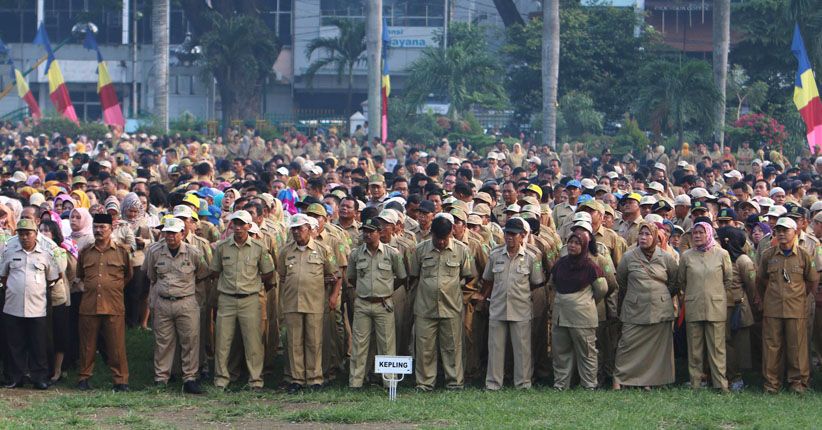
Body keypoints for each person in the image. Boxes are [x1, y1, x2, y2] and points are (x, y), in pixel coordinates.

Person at [474, 217, 545, 390]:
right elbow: (487, 279)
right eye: (507, 233)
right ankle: (493, 383)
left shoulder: (531, 257)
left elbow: (537, 281)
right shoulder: (495, 254)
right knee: (496, 348)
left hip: (520, 308)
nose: (509, 237)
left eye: (513, 234)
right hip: (498, 307)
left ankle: (523, 384)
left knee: (522, 350)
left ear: (522, 236)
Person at [210, 210, 275, 391]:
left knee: (253, 341)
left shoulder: (259, 247)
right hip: (227, 299)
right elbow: (215, 271)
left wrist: (251, 282)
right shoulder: (222, 247)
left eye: (241, 224)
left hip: (250, 299)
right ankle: (221, 379)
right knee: (223, 341)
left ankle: (255, 380)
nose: (238, 228)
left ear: (249, 226)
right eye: (235, 224)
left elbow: (268, 273)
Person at [409, 214, 474, 391]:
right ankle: (424, 383)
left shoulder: (462, 250)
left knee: (452, 347)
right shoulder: (421, 250)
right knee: (424, 348)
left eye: (444, 239)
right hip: (425, 307)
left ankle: (454, 382)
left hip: (451, 307)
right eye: (438, 238)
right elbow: (414, 276)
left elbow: (469, 276)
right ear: (432, 234)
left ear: (451, 233)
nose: (441, 243)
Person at [144, 217, 209, 394]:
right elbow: (151, 275)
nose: (170, 236)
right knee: (163, 341)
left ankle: (190, 378)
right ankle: (161, 378)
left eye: (174, 233)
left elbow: (202, 274)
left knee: (190, 341)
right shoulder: (155, 251)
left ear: (182, 233)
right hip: (163, 301)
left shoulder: (193, 252)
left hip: (186, 301)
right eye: (167, 233)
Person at [756, 217, 819, 393]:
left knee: (797, 347)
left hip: (796, 308)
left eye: (786, 230)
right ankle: (771, 384)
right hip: (773, 308)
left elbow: (812, 280)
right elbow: (760, 279)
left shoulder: (804, 254)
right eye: (778, 230)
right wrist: (765, 298)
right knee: (771, 347)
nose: (782, 234)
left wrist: (800, 296)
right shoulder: (768, 254)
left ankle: (798, 383)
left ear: (795, 232)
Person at [278, 213, 338, 393]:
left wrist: (331, 295)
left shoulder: (323, 249)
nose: (296, 232)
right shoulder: (286, 251)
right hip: (292, 302)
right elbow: (282, 276)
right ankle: (297, 379)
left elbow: (333, 274)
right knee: (294, 341)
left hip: (315, 303)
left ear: (309, 230)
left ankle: (314, 378)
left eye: (300, 228)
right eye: (294, 229)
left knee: (314, 341)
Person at [613, 222, 678, 390]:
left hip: (660, 309)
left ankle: (650, 382)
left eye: (648, 234)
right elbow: (621, 281)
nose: (643, 237)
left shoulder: (666, 257)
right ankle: (620, 379)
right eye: (641, 234)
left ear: (655, 237)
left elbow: (674, 282)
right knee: (627, 344)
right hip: (635, 308)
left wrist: (660, 295)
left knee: (656, 350)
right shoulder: (628, 257)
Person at [346, 217, 406, 389]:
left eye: (371, 231)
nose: (367, 235)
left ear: (380, 233)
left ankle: (389, 382)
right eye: (365, 231)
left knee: (387, 344)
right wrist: (366, 292)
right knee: (359, 344)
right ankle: (356, 382)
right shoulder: (355, 254)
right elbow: (352, 278)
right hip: (363, 303)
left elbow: (401, 277)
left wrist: (385, 292)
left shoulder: (392, 253)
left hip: (383, 303)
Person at [76, 213, 133, 391]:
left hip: (113, 305)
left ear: (111, 229)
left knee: (116, 345)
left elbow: (128, 275)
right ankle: (84, 378)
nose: (98, 230)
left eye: (103, 227)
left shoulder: (122, 251)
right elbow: (81, 275)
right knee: (87, 345)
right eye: (96, 227)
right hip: (89, 305)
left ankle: (121, 381)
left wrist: (112, 288)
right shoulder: (85, 251)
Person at [0, 219, 59, 389]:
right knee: (15, 344)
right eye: (21, 234)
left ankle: (39, 378)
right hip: (13, 306)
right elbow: (3, 276)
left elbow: (53, 277)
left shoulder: (45, 254)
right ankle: (15, 377)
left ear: (35, 234)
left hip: (37, 307)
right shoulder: (9, 252)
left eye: (28, 233)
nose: (24, 237)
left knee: (38, 344)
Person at [676, 221, 733, 393]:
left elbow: (728, 279)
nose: (697, 236)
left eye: (701, 232)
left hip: (715, 306)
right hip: (694, 306)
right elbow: (681, 281)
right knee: (694, 348)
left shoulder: (722, 254)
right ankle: (695, 383)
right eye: (695, 233)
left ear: (708, 233)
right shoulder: (686, 256)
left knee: (717, 348)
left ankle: (720, 384)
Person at [550, 225, 607, 390]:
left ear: (584, 247)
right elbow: (553, 283)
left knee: (587, 353)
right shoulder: (561, 264)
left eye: (577, 243)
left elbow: (602, 289)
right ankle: (561, 384)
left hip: (582, 317)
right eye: (570, 242)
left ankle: (589, 384)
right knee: (560, 352)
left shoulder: (591, 266)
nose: (572, 246)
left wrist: (586, 301)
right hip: (561, 315)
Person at [716, 226, 758, 392]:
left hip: (738, 307)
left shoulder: (743, 261)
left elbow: (751, 285)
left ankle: (737, 376)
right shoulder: (719, 258)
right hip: (720, 306)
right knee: (724, 343)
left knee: (738, 344)